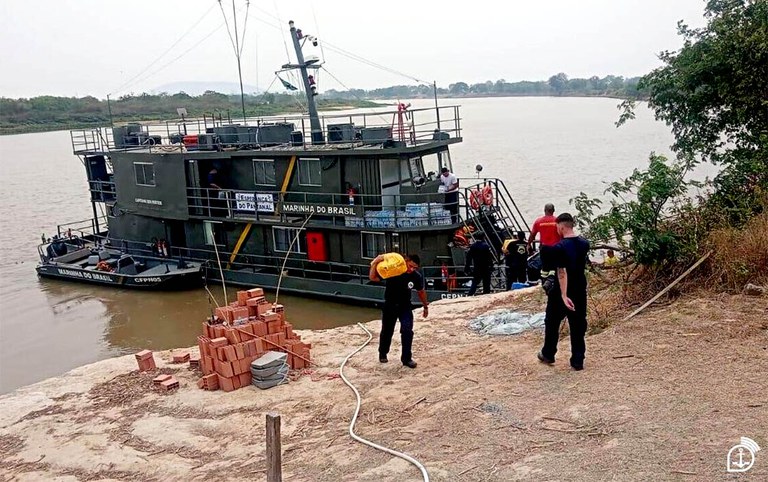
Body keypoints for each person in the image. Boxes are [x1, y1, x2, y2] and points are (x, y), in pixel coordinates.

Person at [537, 213, 590, 371]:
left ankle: (548, 353)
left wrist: (564, 295)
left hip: (563, 290)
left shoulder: (560, 248)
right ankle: (578, 360)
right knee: (578, 324)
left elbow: (562, 273)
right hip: (580, 288)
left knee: (552, 321)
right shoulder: (584, 244)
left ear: (560, 226)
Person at [369, 254, 429, 369]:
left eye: (415, 268)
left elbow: (421, 291)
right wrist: (375, 262)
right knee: (387, 330)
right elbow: (373, 278)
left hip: (405, 305)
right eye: (410, 266)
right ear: (405, 261)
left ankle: (406, 358)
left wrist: (425, 306)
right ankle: (383, 352)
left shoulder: (416, 276)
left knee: (407, 330)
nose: (412, 269)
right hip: (390, 304)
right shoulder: (393, 270)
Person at [527, 203, 562, 280]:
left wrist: (529, 244)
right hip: (555, 248)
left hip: (544, 248)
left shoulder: (538, 221)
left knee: (545, 267)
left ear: (544, 210)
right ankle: (554, 281)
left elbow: (532, 235)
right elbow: (562, 235)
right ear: (553, 210)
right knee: (555, 267)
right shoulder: (558, 221)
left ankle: (544, 282)